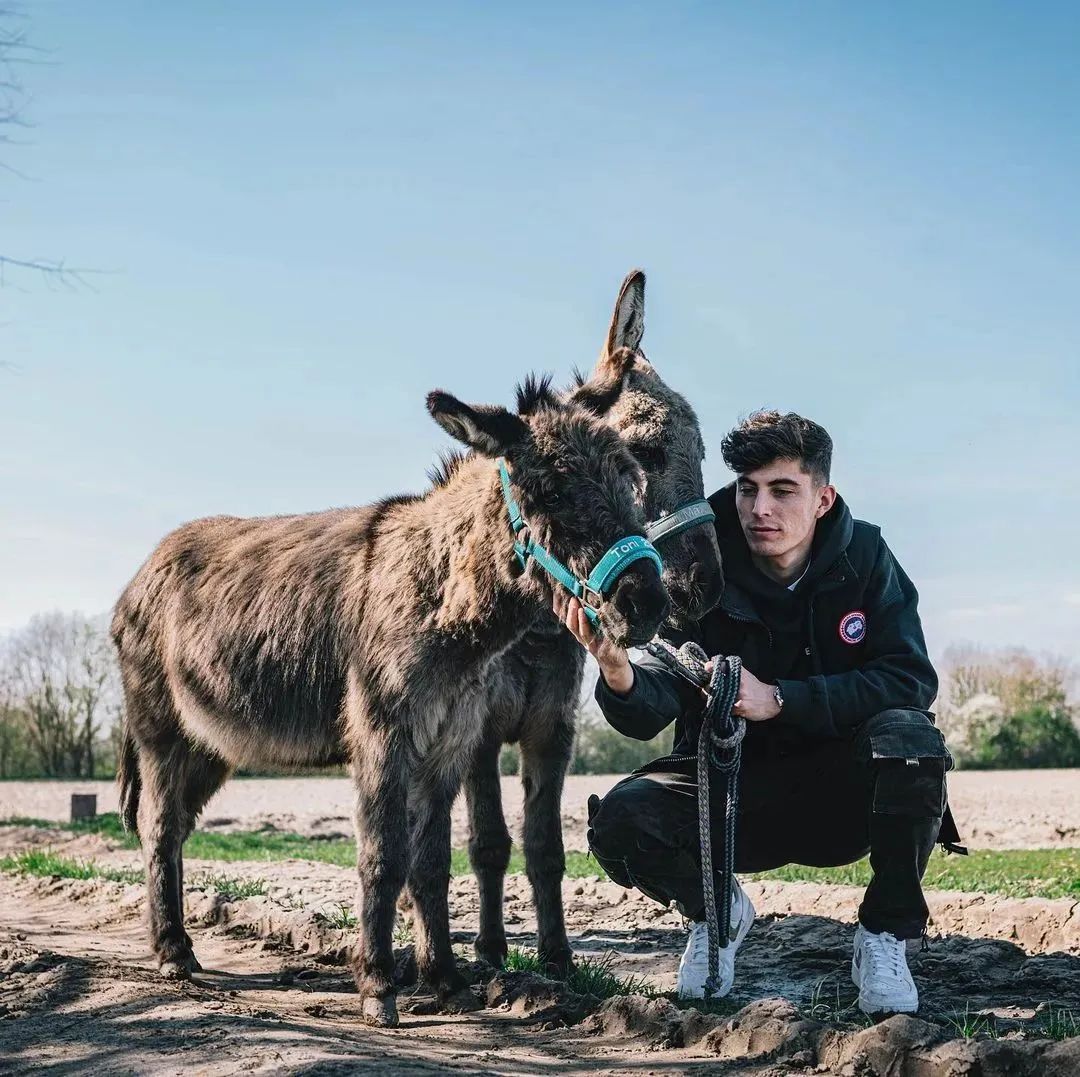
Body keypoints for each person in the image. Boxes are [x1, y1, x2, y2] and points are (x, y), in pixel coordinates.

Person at [553, 410, 963, 1016]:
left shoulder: (868, 557)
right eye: (747, 489)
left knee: (910, 740)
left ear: (823, 498)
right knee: (619, 823)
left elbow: (909, 679)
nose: (759, 508)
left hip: (840, 793)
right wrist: (618, 671)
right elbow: (655, 696)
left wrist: (782, 699)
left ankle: (883, 935)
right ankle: (716, 912)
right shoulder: (698, 561)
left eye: (782, 490)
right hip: (727, 792)